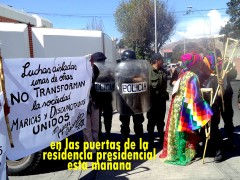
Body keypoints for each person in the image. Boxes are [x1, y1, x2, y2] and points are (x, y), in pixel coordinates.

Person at [159, 52, 213, 165]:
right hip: (185, 105)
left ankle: (177, 152)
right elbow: (195, 96)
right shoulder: (193, 76)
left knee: (178, 129)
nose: (200, 65)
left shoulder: (183, 74)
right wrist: (206, 108)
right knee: (184, 129)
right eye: (199, 63)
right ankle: (182, 154)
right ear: (195, 64)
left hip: (176, 104)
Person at [200, 52, 225, 162]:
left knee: (214, 129)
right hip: (202, 108)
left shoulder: (216, 77)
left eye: (206, 62)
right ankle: (207, 148)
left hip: (213, 108)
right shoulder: (199, 77)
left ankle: (218, 151)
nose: (204, 64)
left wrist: (221, 86)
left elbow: (220, 95)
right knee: (202, 130)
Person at [117, 50, 145, 144]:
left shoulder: (138, 69)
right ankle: (125, 141)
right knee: (125, 124)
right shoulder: (119, 69)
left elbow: (142, 79)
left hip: (136, 102)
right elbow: (118, 81)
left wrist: (131, 78)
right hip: (124, 102)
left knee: (138, 124)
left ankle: (139, 142)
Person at [147, 53, 168, 149]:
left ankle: (162, 139)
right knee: (151, 121)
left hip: (161, 101)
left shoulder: (164, 71)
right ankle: (150, 141)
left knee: (160, 121)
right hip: (151, 101)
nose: (163, 62)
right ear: (157, 61)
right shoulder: (147, 71)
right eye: (161, 60)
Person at [92, 52, 114, 140]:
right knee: (97, 120)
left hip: (107, 99)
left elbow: (113, 83)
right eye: (101, 61)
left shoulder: (108, 70)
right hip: (97, 99)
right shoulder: (91, 71)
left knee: (108, 119)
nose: (103, 62)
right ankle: (99, 135)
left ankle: (107, 134)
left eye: (103, 60)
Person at [83, 54, 100, 157]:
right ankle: (91, 150)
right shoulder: (81, 71)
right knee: (87, 128)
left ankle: (96, 148)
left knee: (95, 126)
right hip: (84, 104)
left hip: (94, 102)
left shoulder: (96, 70)